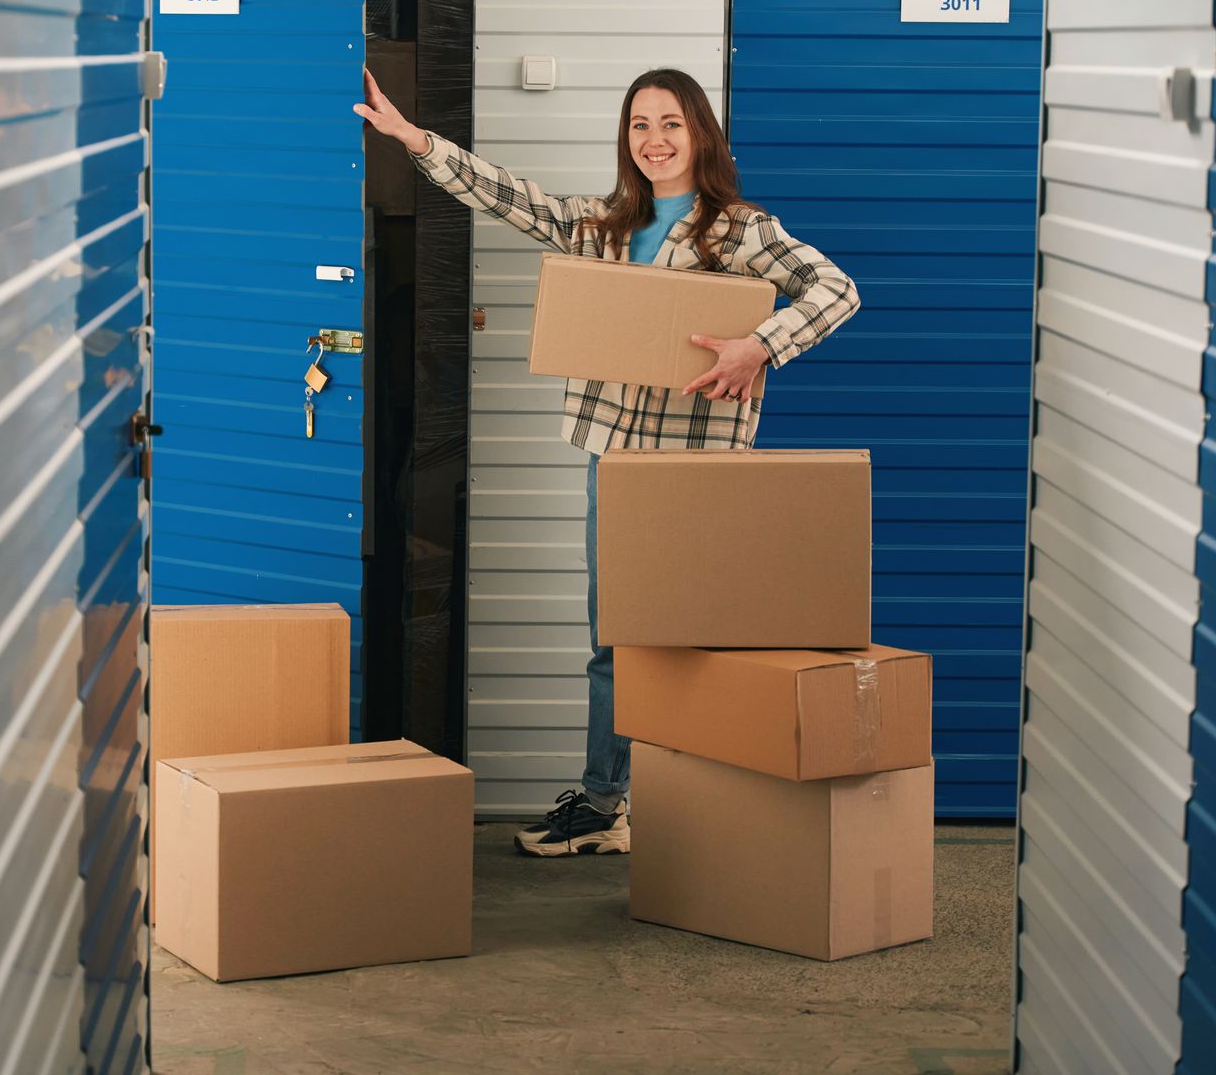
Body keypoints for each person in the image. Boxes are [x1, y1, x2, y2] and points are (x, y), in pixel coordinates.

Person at [355, 66, 860, 857]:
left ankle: (707, 806)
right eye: (639, 126)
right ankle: (603, 805)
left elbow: (836, 290)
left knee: (698, 641)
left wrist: (759, 345)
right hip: (617, 462)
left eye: (671, 124)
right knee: (614, 641)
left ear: (700, 135)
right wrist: (415, 140)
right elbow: (508, 197)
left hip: (701, 465)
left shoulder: (742, 231)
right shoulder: (602, 225)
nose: (654, 140)